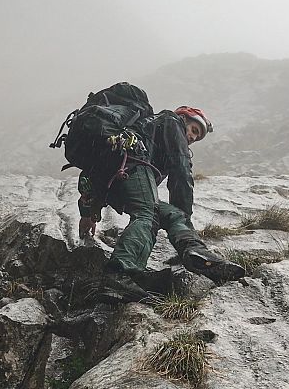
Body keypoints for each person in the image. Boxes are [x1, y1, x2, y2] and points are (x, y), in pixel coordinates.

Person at [77, 106, 245, 302]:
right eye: (193, 130)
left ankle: (193, 250)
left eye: (197, 137)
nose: (192, 137)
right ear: (183, 118)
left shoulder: (149, 129)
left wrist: (88, 214)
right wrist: (187, 217)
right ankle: (119, 274)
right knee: (148, 213)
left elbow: (92, 179)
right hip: (132, 167)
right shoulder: (171, 122)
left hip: (117, 181)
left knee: (172, 214)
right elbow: (181, 175)